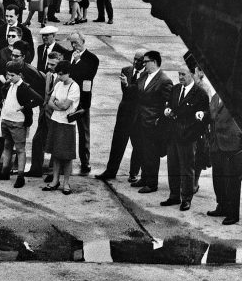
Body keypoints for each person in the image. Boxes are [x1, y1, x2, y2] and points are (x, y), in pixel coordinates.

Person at [160, 63, 210, 211]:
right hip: (173, 136)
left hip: (188, 137)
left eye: (183, 74)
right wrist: (167, 110)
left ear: (191, 75)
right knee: (173, 167)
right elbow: (168, 104)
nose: (180, 77)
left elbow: (204, 116)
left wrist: (192, 135)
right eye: (179, 74)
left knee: (187, 169)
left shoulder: (200, 94)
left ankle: (186, 198)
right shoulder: (175, 89)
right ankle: (174, 195)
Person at [0, 61, 43, 188]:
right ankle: (5, 172)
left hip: (18, 122)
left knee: (20, 149)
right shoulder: (9, 85)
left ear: (20, 75)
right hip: (6, 119)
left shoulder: (24, 87)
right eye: (8, 75)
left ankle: (20, 176)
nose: (9, 77)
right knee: (7, 146)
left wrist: (25, 107)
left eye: (12, 75)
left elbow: (39, 99)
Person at [96, 50, 146, 182]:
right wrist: (127, 86)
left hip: (138, 115)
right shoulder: (126, 70)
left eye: (139, 60)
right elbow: (126, 93)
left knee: (138, 144)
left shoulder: (147, 75)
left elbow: (138, 93)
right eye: (135, 59)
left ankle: (133, 173)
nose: (135, 62)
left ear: (144, 62)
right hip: (124, 113)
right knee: (117, 143)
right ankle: (111, 171)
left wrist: (127, 85)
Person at [133, 51, 174, 194]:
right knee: (142, 150)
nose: (143, 64)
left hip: (153, 123)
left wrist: (160, 121)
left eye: (146, 62)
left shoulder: (164, 80)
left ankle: (152, 183)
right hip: (140, 120)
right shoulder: (144, 76)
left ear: (154, 62)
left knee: (152, 154)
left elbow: (169, 104)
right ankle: (144, 178)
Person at [41, 60, 80, 194]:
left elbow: (65, 105)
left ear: (68, 73)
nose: (59, 76)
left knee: (67, 156)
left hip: (67, 124)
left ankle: (66, 183)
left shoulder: (74, 87)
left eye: (62, 74)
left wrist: (58, 104)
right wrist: (59, 104)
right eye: (58, 74)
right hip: (56, 121)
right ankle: (55, 181)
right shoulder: (58, 85)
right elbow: (49, 102)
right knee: (56, 154)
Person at [208, 88, 242, 225]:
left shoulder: (237, 96)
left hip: (232, 144)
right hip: (216, 144)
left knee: (232, 181)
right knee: (218, 178)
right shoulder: (216, 96)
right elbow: (212, 115)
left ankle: (233, 214)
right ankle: (221, 206)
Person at [67, 32, 99, 174]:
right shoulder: (69, 55)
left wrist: (78, 61)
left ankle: (85, 161)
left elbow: (88, 75)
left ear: (83, 41)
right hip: (68, 98)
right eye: (72, 43)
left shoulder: (92, 59)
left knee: (84, 132)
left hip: (83, 101)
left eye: (76, 42)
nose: (74, 46)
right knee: (65, 129)